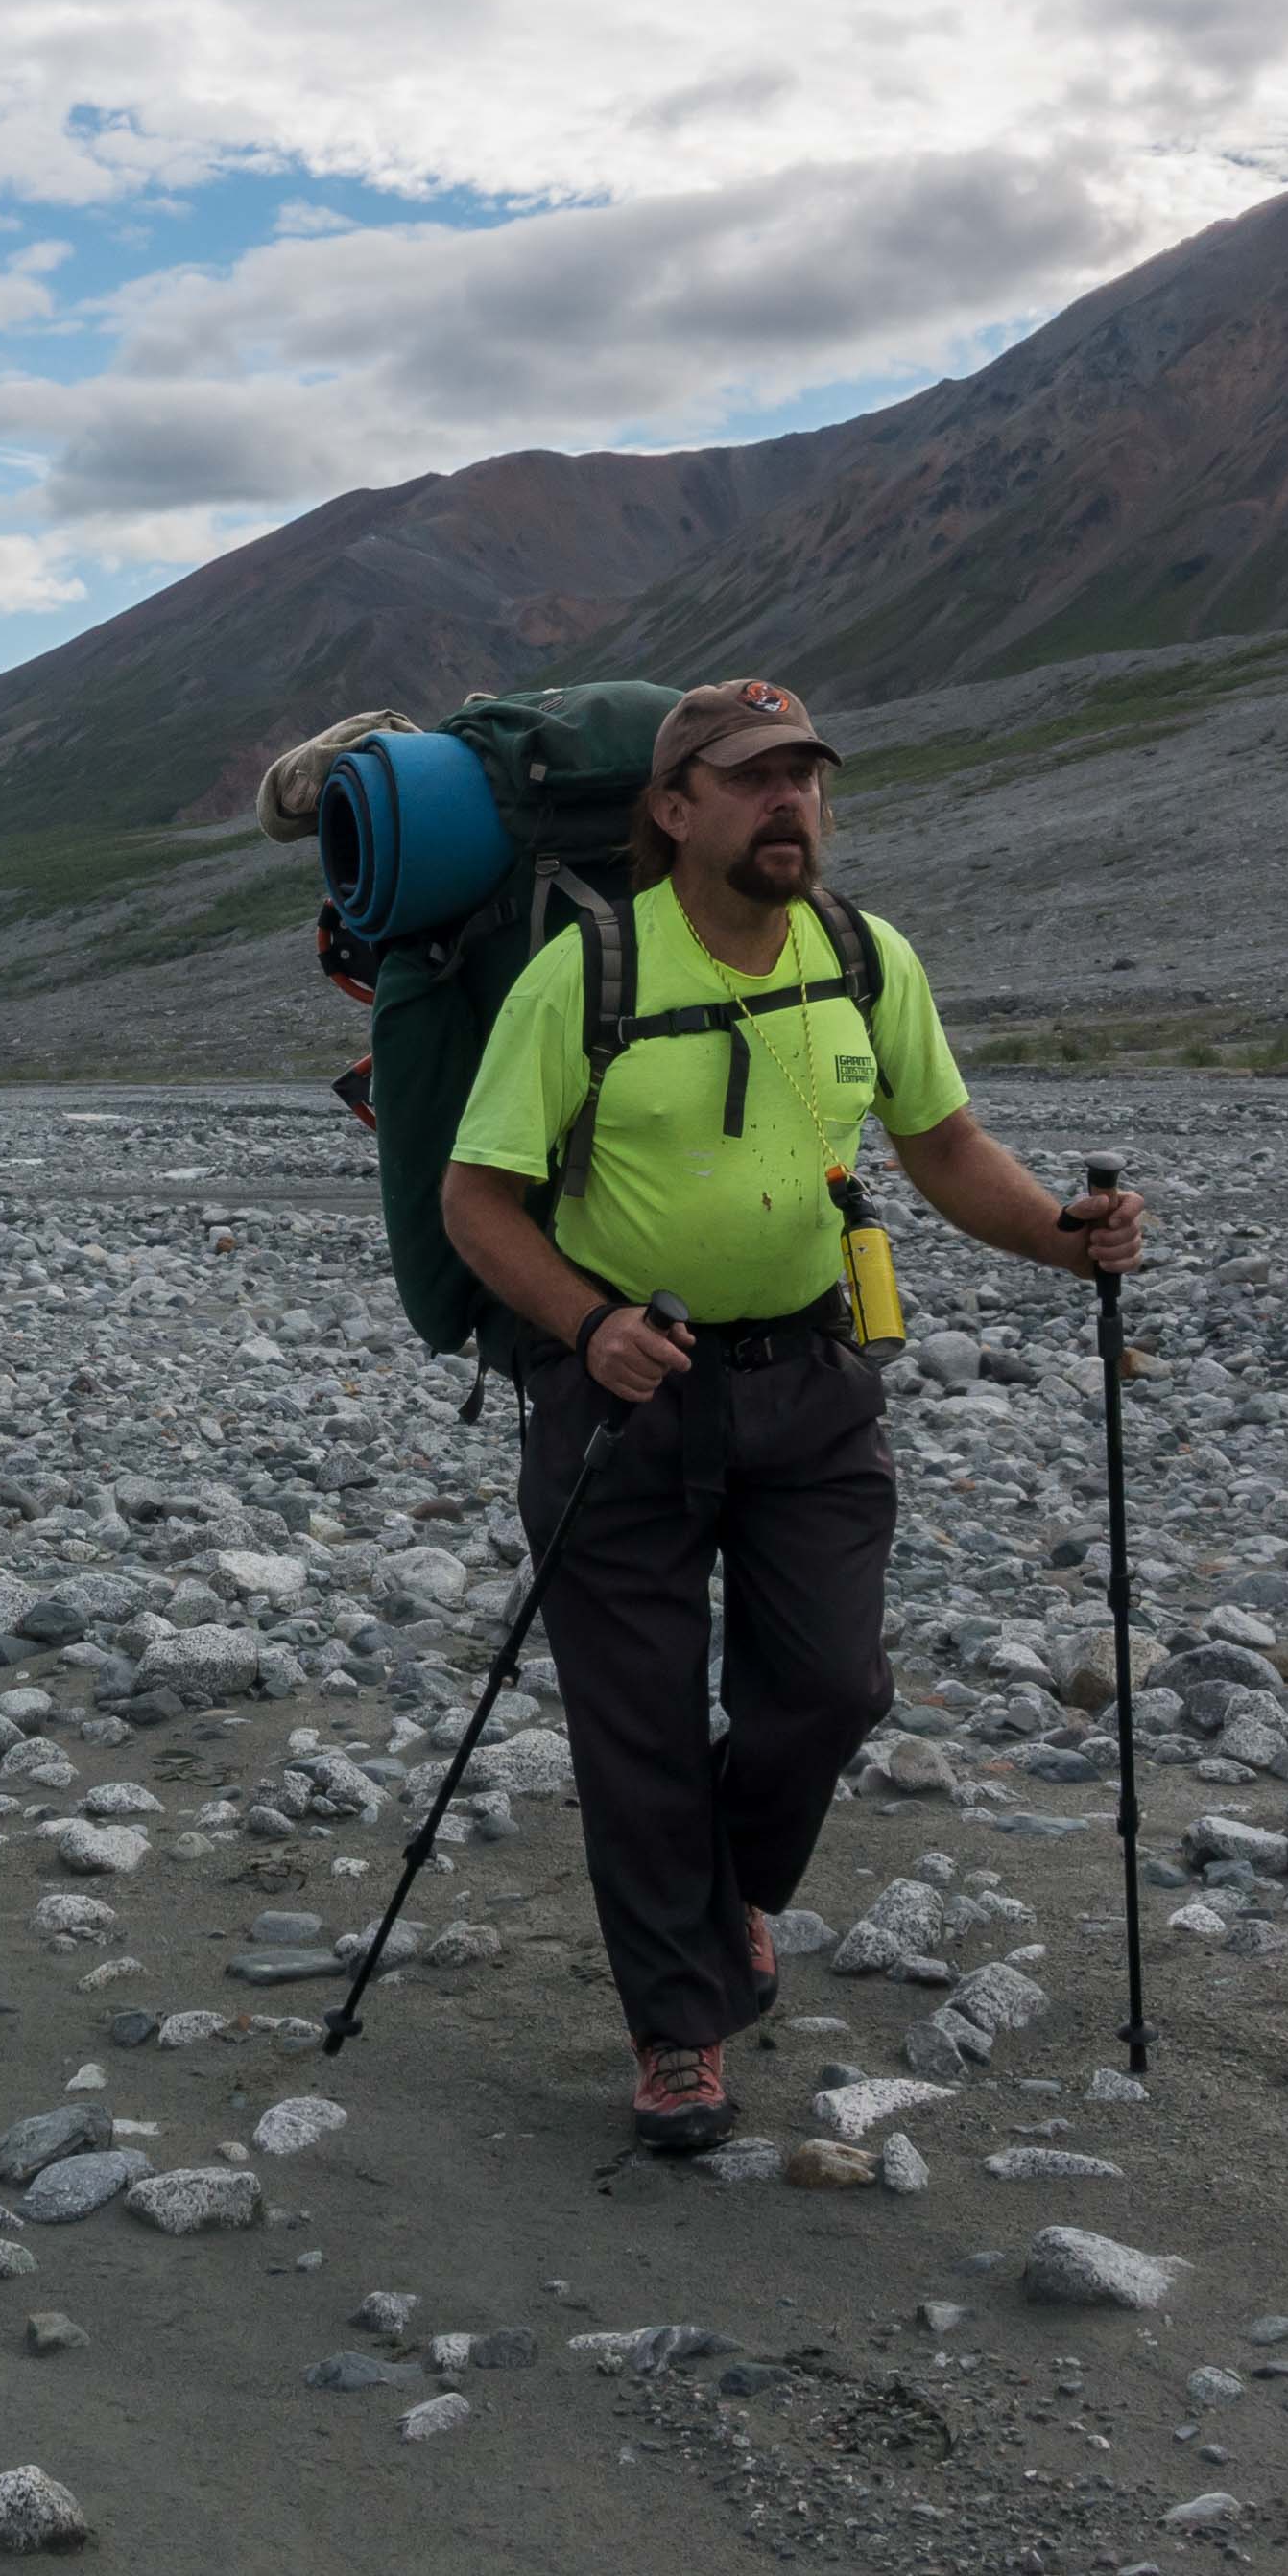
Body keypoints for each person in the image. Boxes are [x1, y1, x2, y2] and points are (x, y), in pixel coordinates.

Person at [440, 678, 1148, 2151]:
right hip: (624, 1396)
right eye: (754, 779)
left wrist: (1059, 1234)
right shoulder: (584, 976)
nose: (791, 803)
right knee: (637, 1729)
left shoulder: (864, 956)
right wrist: (589, 1326)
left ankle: (725, 1900)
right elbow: (478, 1199)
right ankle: (678, 2035)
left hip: (812, 1384)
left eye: (807, 777)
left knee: (829, 1690)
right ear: (673, 807)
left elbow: (942, 1143)